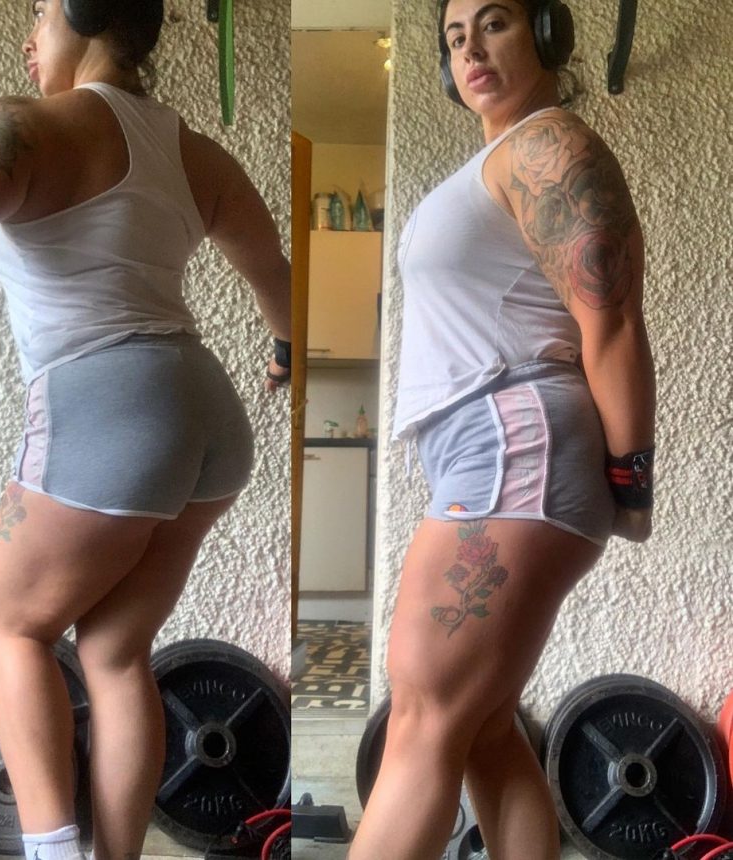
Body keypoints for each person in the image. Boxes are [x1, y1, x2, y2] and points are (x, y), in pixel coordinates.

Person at [0, 1, 290, 859]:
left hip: (109, 405)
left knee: (9, 623)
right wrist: (285, 349)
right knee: (115, 651)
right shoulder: (196, 153)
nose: (29, 38)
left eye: (39, 11)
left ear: (83, 9)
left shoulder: (21, 128)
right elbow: (273, 272)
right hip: (207, 414)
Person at [349, 0, 655, 858]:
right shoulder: (501, 158)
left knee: (422, 714)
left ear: (547, 34)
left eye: (494, 24)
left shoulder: (546, 146)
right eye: (455, 38)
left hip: (515, 446)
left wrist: (631, 480)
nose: (471, 50)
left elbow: (613, 322)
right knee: (481, 726)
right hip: (491, 451)